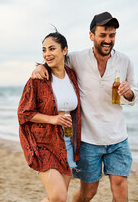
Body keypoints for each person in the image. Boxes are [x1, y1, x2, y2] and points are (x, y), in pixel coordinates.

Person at [32, 12, 138, 202]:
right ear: (92, 36)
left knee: (121, 190)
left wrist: (128, 92)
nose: (108, 40)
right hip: (88, 140)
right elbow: (55, 59)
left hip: (118, 138)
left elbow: (134, 94)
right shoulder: (77, 59)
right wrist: (40, 67)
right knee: (88, 193)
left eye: (112, 35)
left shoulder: (125, 61)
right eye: (103, 35)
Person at [18, 31, 82, 202]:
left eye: (52, 49)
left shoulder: (72, 76)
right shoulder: (38, 79)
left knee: (57, 199)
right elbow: (24, 113)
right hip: (43, 142)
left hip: (68, 142)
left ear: (64, 50)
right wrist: (52, 119)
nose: (47, 54)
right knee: (59, 197)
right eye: (44, 50)